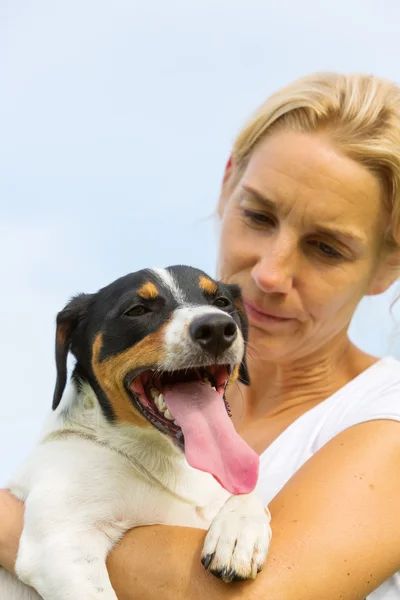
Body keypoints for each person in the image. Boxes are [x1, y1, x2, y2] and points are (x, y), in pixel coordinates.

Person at [1, 71, 400, 600]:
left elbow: (260, 595)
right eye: (258, 215)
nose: (268, 275)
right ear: (227, 183)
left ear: (387, 266)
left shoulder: (384, 416)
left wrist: (22, 528)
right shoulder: (128, 414)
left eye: (327, 248)